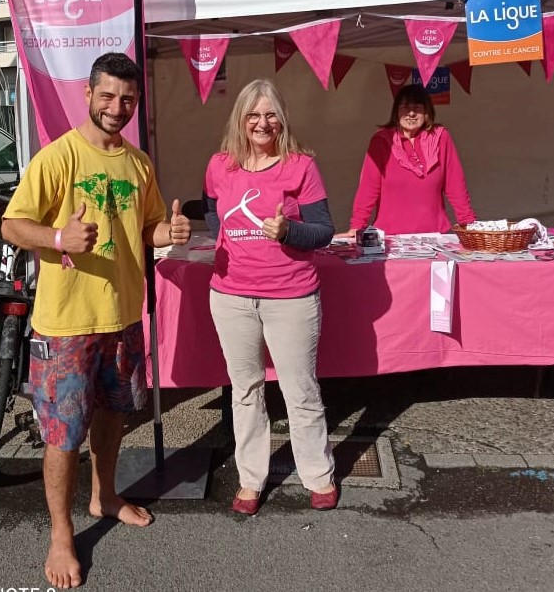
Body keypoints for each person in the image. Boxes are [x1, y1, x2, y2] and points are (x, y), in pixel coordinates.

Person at [2, 52, 190, 590]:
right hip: (65, 324)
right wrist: (59, 238)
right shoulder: (57, 158)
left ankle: (104, 495)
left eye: (127, 99)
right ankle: (62, 534)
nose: (117, 107)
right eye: (107, 96)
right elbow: (13, 224)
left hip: (122, 316)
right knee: (63, 433)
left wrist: (168, 234)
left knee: (112, 415)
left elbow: (147, 228)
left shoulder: (138, 163)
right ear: (87, 94)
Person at [202, 78, 337, 516]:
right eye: (253, 114)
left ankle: (318, 476)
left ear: (281, 118)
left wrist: (289, 231)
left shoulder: (301, 166)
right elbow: (210, 208)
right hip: (231, 297)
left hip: (291, 296)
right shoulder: (220, 164)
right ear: (240, 119)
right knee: (245, 391)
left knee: (300, 390)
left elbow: (324, 230)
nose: (262, 122)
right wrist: (220, 233)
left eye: (270, 114)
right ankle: (251, 479)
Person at [345, 84, 475, 236]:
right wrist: (357, 225)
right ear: (396, 112)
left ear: (426, 112)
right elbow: (368, 188)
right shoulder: (381, 141)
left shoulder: (441, 137)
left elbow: (455, 185)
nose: (411, 113)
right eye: (405, 107)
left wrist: (468, 223)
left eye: (417, 107)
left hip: (435, 235)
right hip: (390, 237)